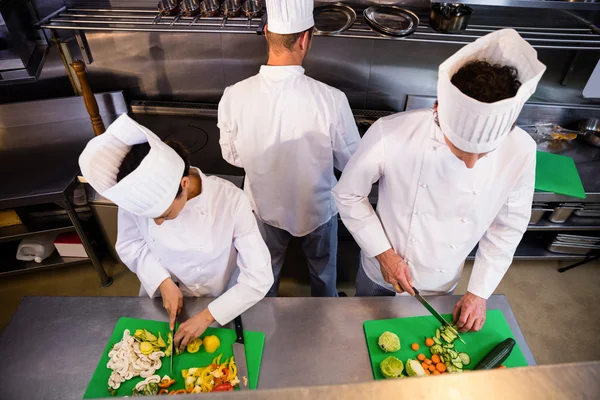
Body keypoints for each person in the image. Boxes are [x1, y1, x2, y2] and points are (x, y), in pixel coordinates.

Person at [332, 29, 546, 332]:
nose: (471, 164)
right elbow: (348, 194)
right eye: (460, 152)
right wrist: (384, 253)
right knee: (362, 331)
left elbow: (507, 227)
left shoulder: (521, 150)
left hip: (444, 280)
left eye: (482, 154)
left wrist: (479, 291)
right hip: (379, 272)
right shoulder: (391, 133)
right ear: (437, 110)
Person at [79, 114, 274, 350]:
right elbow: (131, 244)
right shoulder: (137, 198)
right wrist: (162, 281)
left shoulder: (231, 201)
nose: (158, 224)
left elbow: (258, 276)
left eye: (165, 214)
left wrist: (207, 316)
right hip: (161, 299)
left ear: (184, 185)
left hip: (219, 299)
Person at [218, 0, 360, 297]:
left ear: (267, 32)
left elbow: (231, 156)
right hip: (317, 210)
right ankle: (325, 314)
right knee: (323, 274)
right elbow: (352, 163)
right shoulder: (331, 99)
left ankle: (262, 327)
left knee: (262, 276)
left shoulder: (234, 95)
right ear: (306, 38)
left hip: (263, 207)